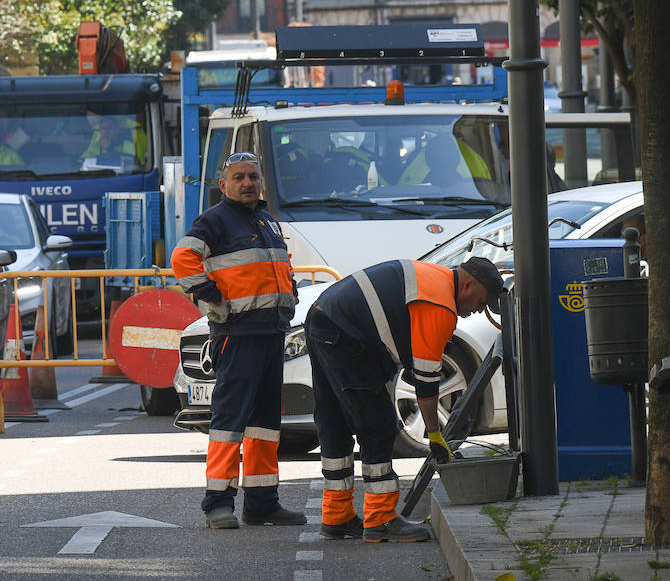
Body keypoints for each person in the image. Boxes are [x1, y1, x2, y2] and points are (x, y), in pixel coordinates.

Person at [305, 256, 503, 542]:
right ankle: (380, 518)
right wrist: (434, 434)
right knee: (378, 426)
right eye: (480, 302)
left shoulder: (436, 278)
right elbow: (425, 384)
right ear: (469, 284)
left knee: (334, 420)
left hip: (324, 316)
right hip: (345, 332)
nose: (476, 311)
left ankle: (336, 515)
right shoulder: (441, 306)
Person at [171, 151, 304, 530]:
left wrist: (290, 293)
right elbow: (183, 258)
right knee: (229, 420)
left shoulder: (265, 219)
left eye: (253, 177)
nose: (247, 183)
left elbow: (282, 266)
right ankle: (218, 503)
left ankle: (262, 503)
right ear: (223, 185)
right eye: (239, 177)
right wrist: (209, 296)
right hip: (238, 334)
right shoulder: (214, 220)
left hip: (270, 331)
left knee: (265, 423)